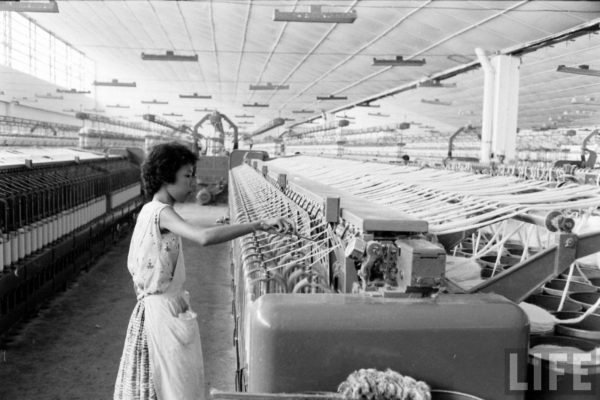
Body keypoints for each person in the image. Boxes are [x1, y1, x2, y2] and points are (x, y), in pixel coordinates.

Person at [114, 142, 292, 400]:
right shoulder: (161, 212)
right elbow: (203, 237)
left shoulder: (149, 211)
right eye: (187, 176)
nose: (192, 182)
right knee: (173, 389)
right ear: (166, 177)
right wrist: (258, 224)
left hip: (161, 309)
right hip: (162, 316)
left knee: (165, 387)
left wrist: (230, 225)